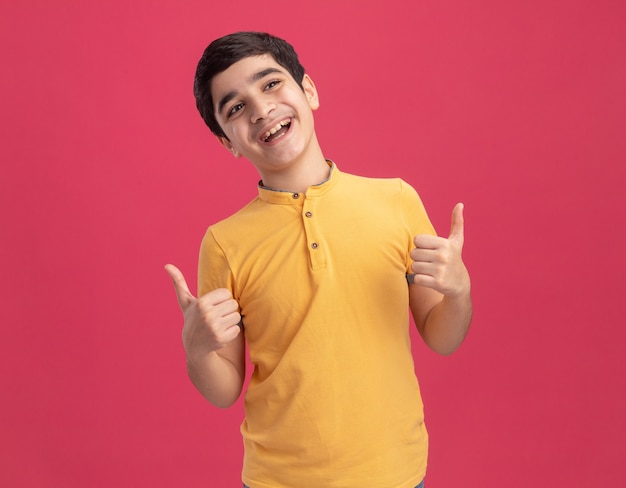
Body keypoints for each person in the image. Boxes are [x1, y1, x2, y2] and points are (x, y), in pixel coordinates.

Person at [165, 31, 472, 488]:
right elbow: (224, 388)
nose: (261, 109)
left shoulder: (396, 200)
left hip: (394, 473)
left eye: (270, 84)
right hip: (278, 479)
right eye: (235, 108)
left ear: (308, 90)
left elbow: (442, 337)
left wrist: (459, 290)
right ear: (227, 141)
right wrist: (196, 348)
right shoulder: (224, 243)